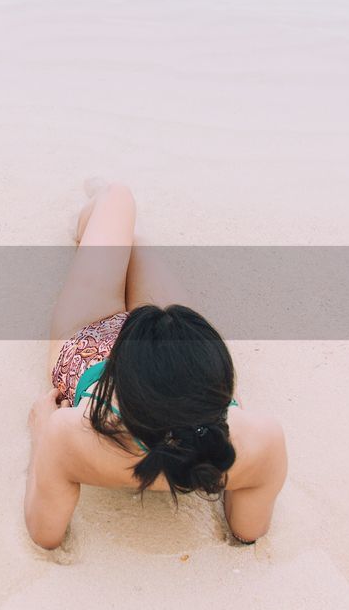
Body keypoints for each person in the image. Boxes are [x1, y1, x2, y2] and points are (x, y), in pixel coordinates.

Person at [24, 182, 287, 549]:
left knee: (118, 201)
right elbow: (248, 530)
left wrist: (40, 433)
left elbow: (44, 534)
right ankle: (114, 236)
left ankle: (95, 221)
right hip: (181, 370)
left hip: (90, 355)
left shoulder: (71, 434)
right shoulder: (260, 441)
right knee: (136, 243)